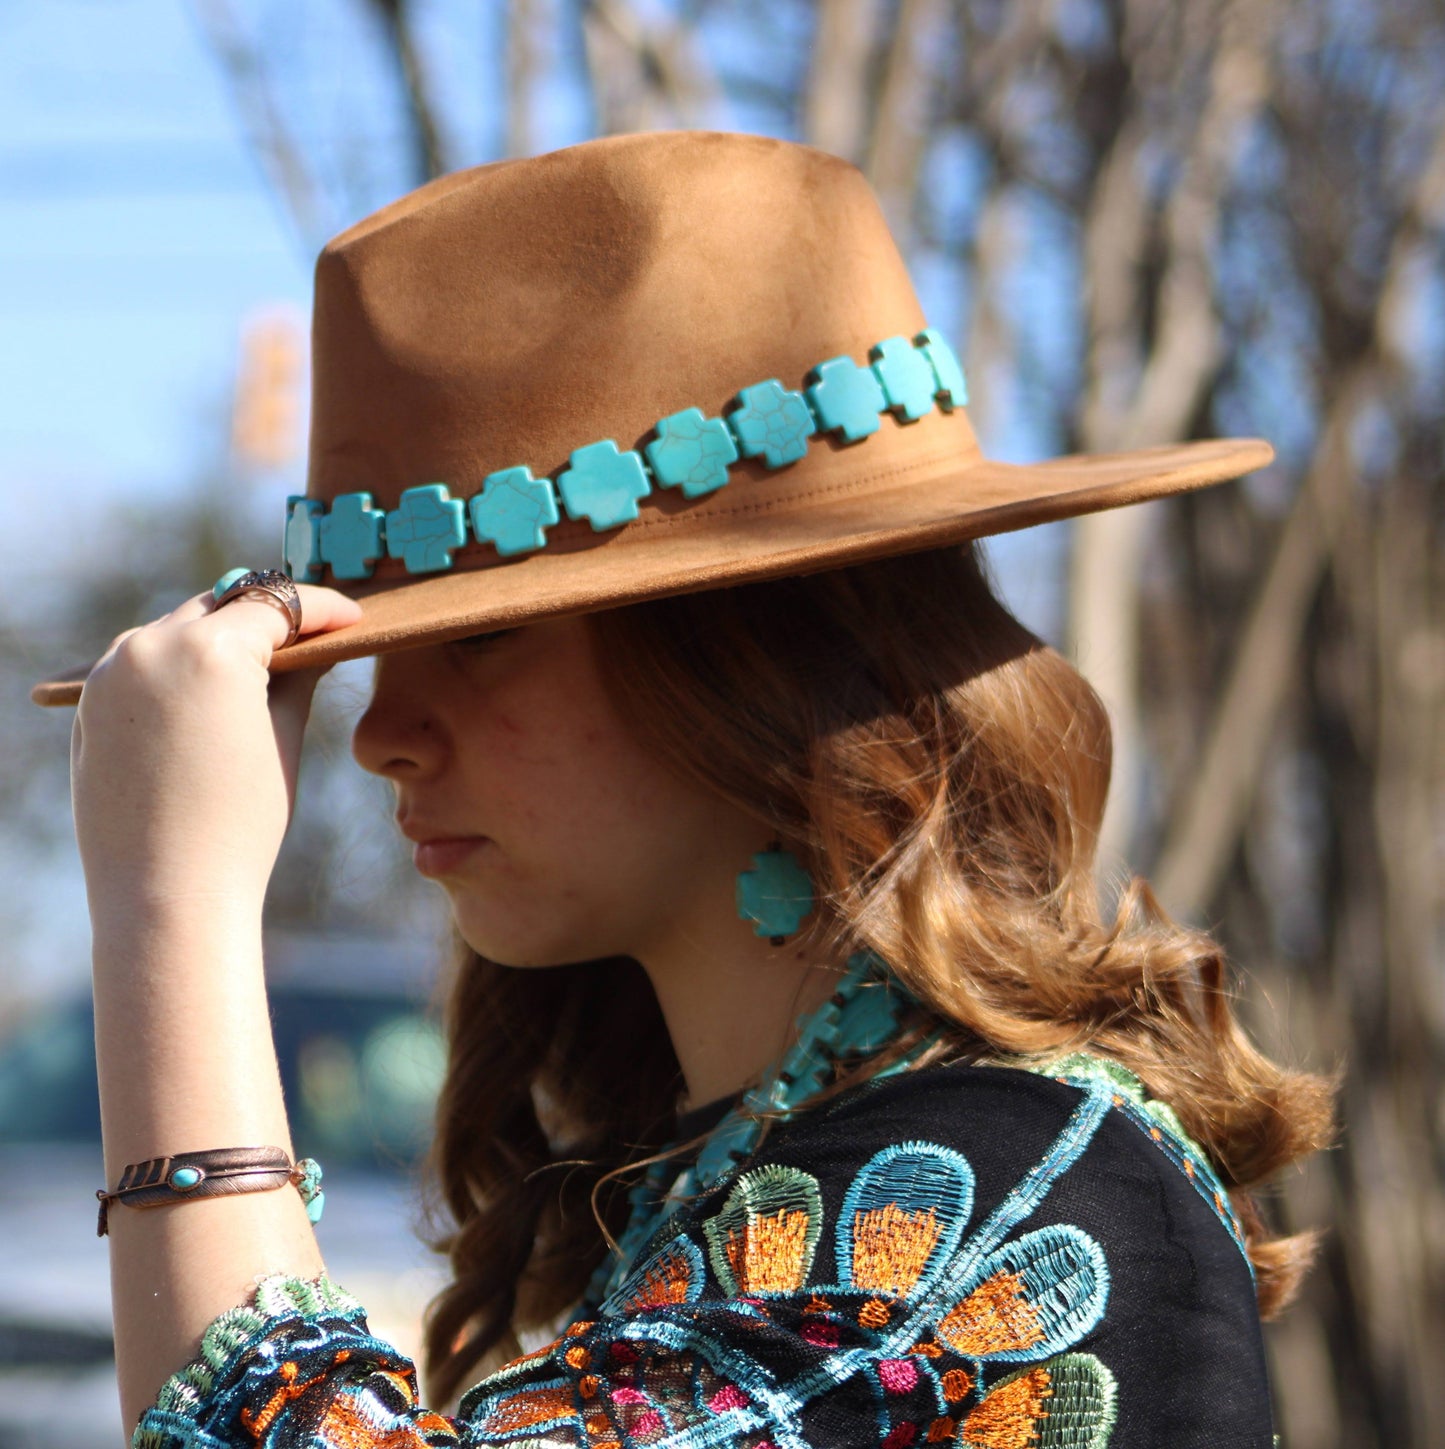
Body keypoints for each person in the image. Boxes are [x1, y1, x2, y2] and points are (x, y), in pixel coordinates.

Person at [34, 131, 1332, 1448]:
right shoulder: (749, 1164)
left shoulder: (1003, 1199)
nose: (382, 736)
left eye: (483, 634)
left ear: (768, 654)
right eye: (368, 656)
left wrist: (170, 909)